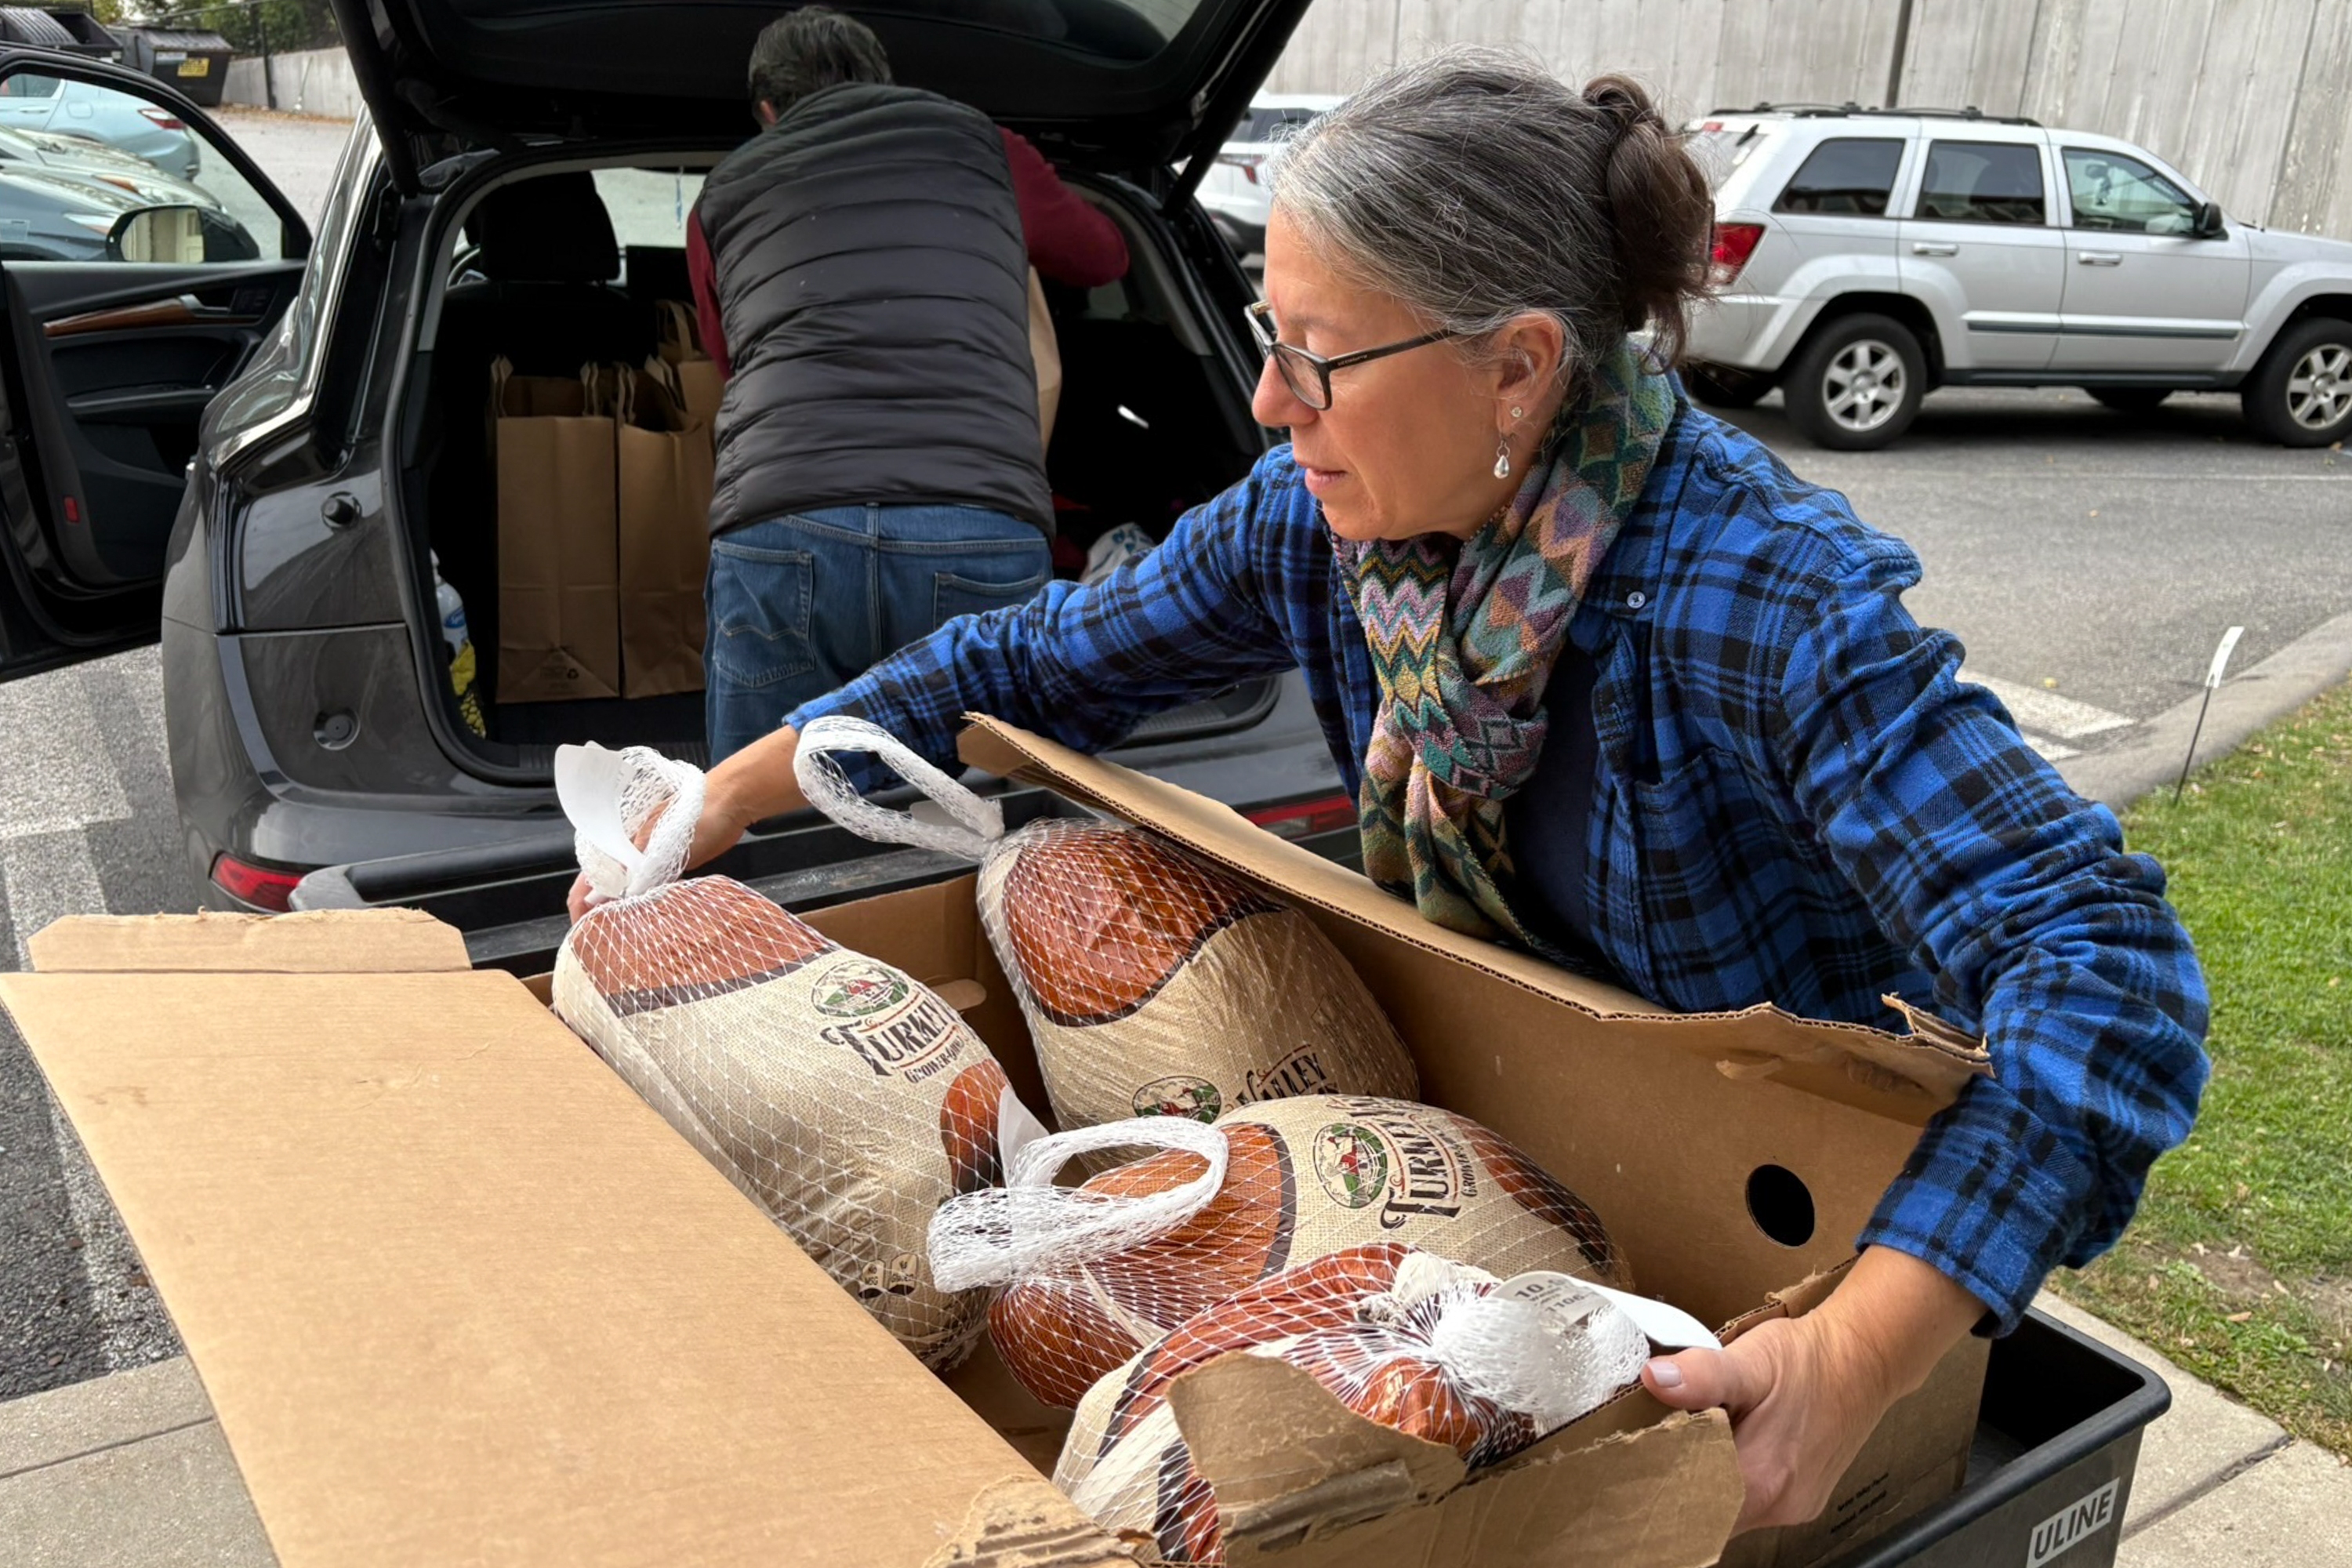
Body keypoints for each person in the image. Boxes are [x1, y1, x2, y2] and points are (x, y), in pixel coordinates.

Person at [579, 51, 2208, 1534]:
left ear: (1517, 371)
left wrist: (1857, 1350)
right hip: (1483, 1169)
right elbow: (1054, 652)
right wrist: (742, 784)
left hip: (1748, 1251)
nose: (1272, 402)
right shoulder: (1335, 530)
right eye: (1270, 338)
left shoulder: (1761, 598)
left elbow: (2109, 972)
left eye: (1319, 358)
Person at [686, 6, 1129, 761]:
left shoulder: (723, 192)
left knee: (765, 808)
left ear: (766, 111)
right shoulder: (988, 148)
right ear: (885, 82)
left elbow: (728, 357)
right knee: (986, 814)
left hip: (787, 523)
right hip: (976, 520)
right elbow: (1104, 258)